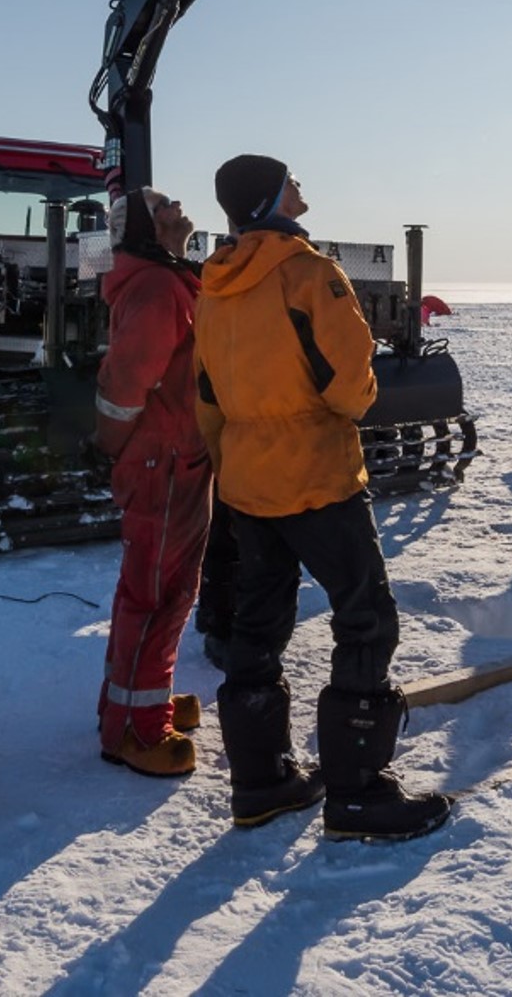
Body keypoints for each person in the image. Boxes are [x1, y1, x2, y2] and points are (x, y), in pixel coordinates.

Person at [194, 153, 450, 842]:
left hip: (249, 479)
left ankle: (261, 783)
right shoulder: (309, 273)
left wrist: (234, 464)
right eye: (291, 179)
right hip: (315, 474)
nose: (300, 187)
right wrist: (348, 409)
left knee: (257, 623)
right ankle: (358, 793)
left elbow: (206, 395)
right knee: (365, 620)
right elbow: (349, 382)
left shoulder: (213, 284)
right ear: (272, 197)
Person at [93, 186, 213, 777]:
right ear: (145, 228)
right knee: (156, 593)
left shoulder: (169, 281)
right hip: (161, 461)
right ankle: (135, 730)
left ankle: (140, 696)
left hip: (176, 457)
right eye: (164, 205)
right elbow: (124, 384)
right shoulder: (159, 288)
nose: (177, 207)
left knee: (165, 588)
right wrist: (123, 448)